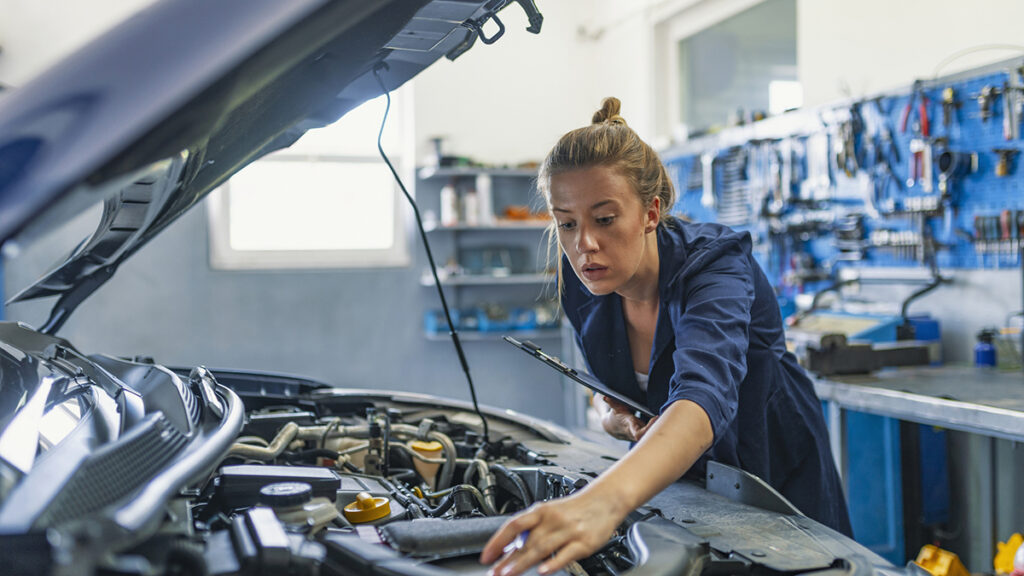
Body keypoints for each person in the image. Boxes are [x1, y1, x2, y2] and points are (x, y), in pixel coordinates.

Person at [480, 98, 852, 576]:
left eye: (605, 218)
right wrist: (611, 416)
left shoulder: (716, 266)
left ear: (651, 212)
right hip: (673, 483)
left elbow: (702, 398)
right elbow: (605, 388)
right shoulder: (584, 277)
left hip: (771, 476)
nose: (583, 244)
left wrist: (601, 503)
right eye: (567, 223)